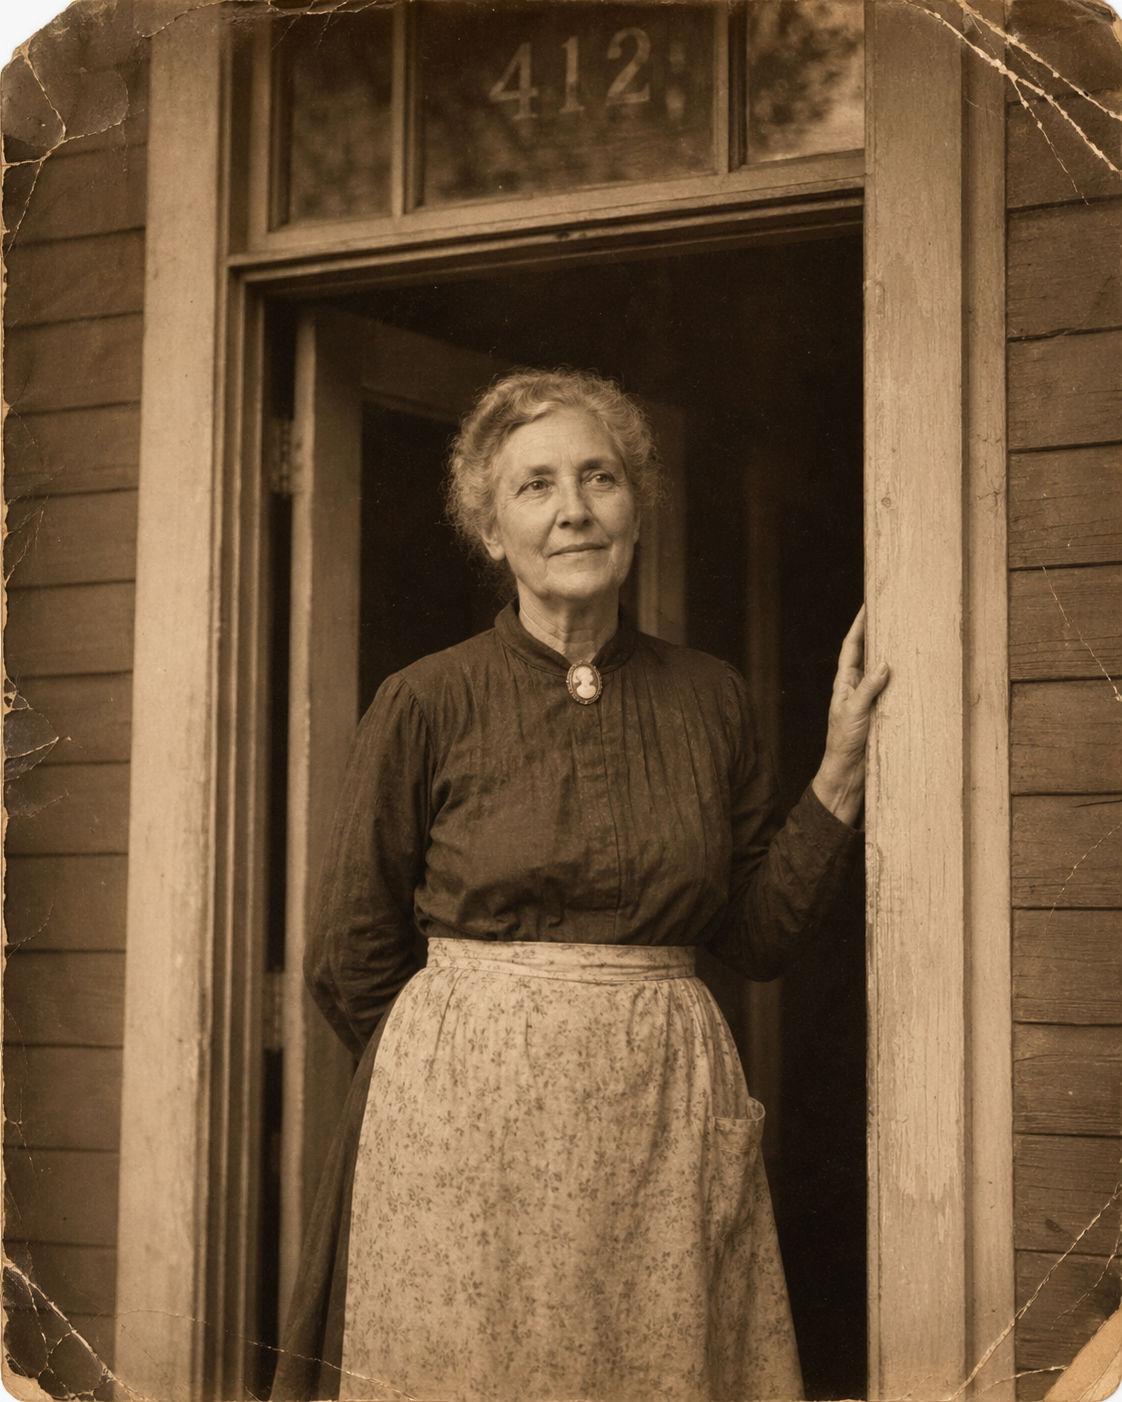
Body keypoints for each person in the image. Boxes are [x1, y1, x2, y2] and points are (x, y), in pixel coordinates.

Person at [271, 368, 889, 1402]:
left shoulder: (712, 699)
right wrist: (458, 1077)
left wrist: (840, 771)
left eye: (600, 478)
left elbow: (757, 937)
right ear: (491, 526)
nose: (573, 510)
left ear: (636, 505)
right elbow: (349, 953)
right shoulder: (426, 701)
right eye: (537, 486)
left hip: (660, 1133)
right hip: (464, 1140)